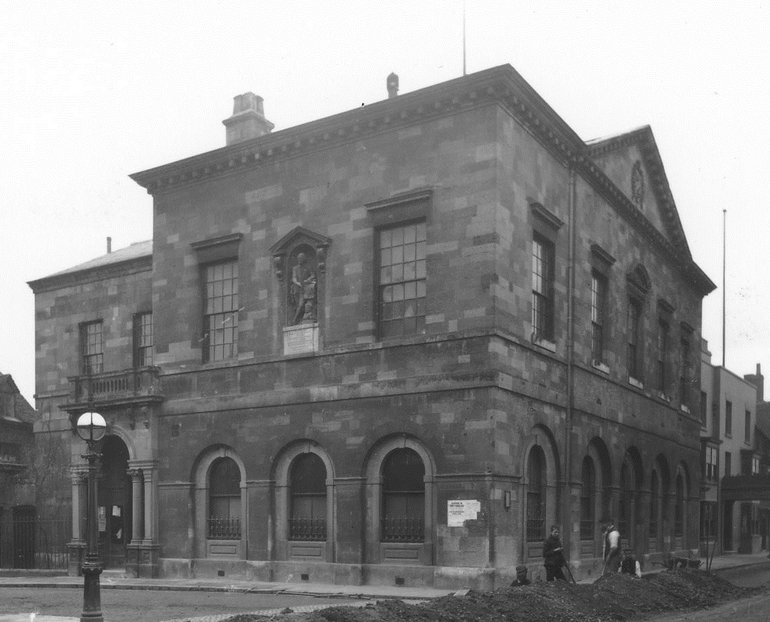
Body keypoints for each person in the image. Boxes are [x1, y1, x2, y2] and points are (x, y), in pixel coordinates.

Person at [290, 252, 317, 324]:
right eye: (298, 258)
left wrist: (307, 280)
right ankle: (298, 319)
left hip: (305, 288)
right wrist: (298, 283)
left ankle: (295, 320)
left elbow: (313, 275)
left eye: (301, 258)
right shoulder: (295, 268)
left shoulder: (308, 267)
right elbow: (294, 278)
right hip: (298, 289)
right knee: (298, 305)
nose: (299, 260)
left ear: (304, 259)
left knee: (301, 304)